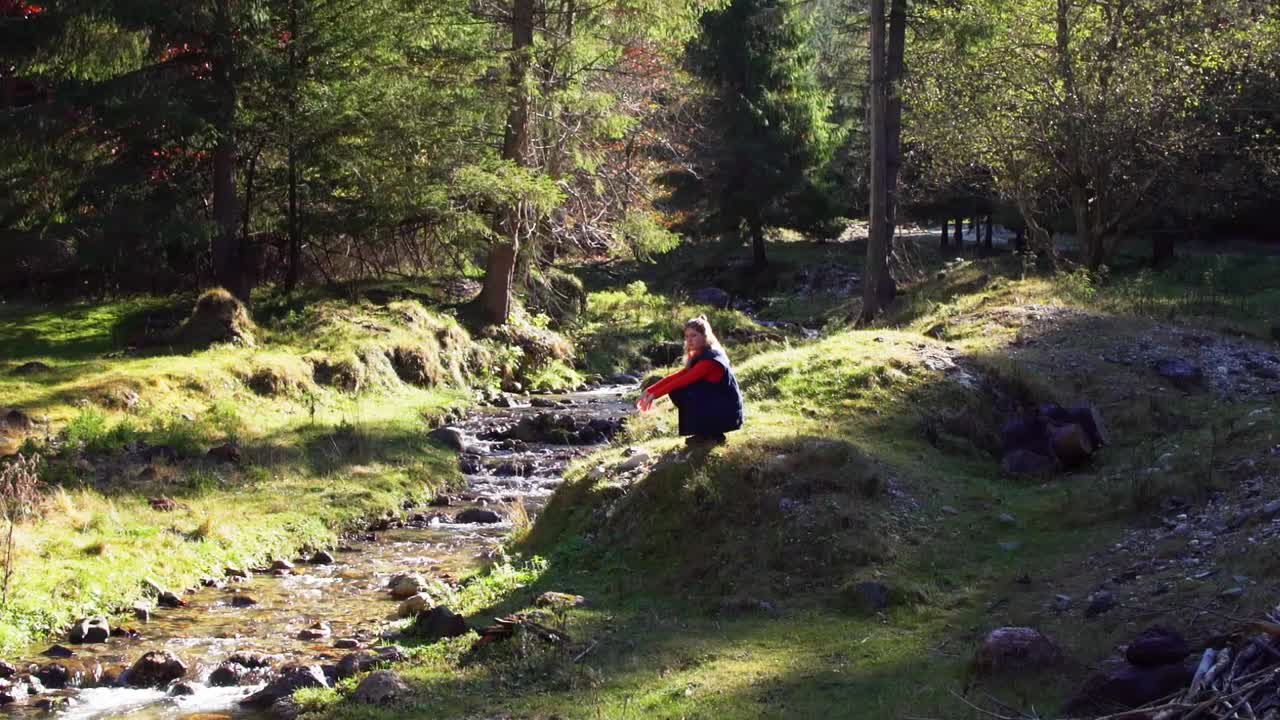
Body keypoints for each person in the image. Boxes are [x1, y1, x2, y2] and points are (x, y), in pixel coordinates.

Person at [636, 315, 744, 446]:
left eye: (694, 335)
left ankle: (713, 434)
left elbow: (683, 380)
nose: (689, 340)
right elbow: (680, 375)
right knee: (680, 391)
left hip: (726, 411)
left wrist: (654, 395)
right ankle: (704, 434)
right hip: (718, 404)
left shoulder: (710, 359)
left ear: (705, 336)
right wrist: (649, 390)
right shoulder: (702, 353)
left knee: (680, 391)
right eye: (687, 336)